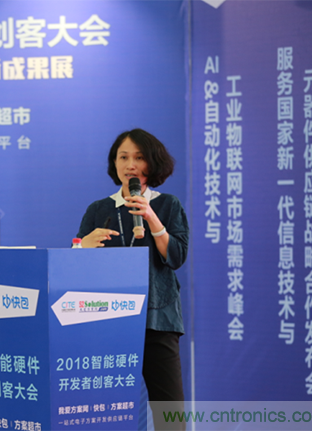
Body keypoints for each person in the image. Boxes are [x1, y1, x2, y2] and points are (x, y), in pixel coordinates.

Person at [77, 128, 188, 430]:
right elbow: (74, 266)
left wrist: (151, 217)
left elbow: (176, 257)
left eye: (138, 158)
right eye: (123, 157)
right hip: (107, 322)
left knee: (170, 415)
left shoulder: (168, 205)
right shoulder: (98, 209)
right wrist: (82, 246)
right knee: (105, 412)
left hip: (158, 319)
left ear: (152, 163)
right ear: (114, 163)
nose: (130, 165)